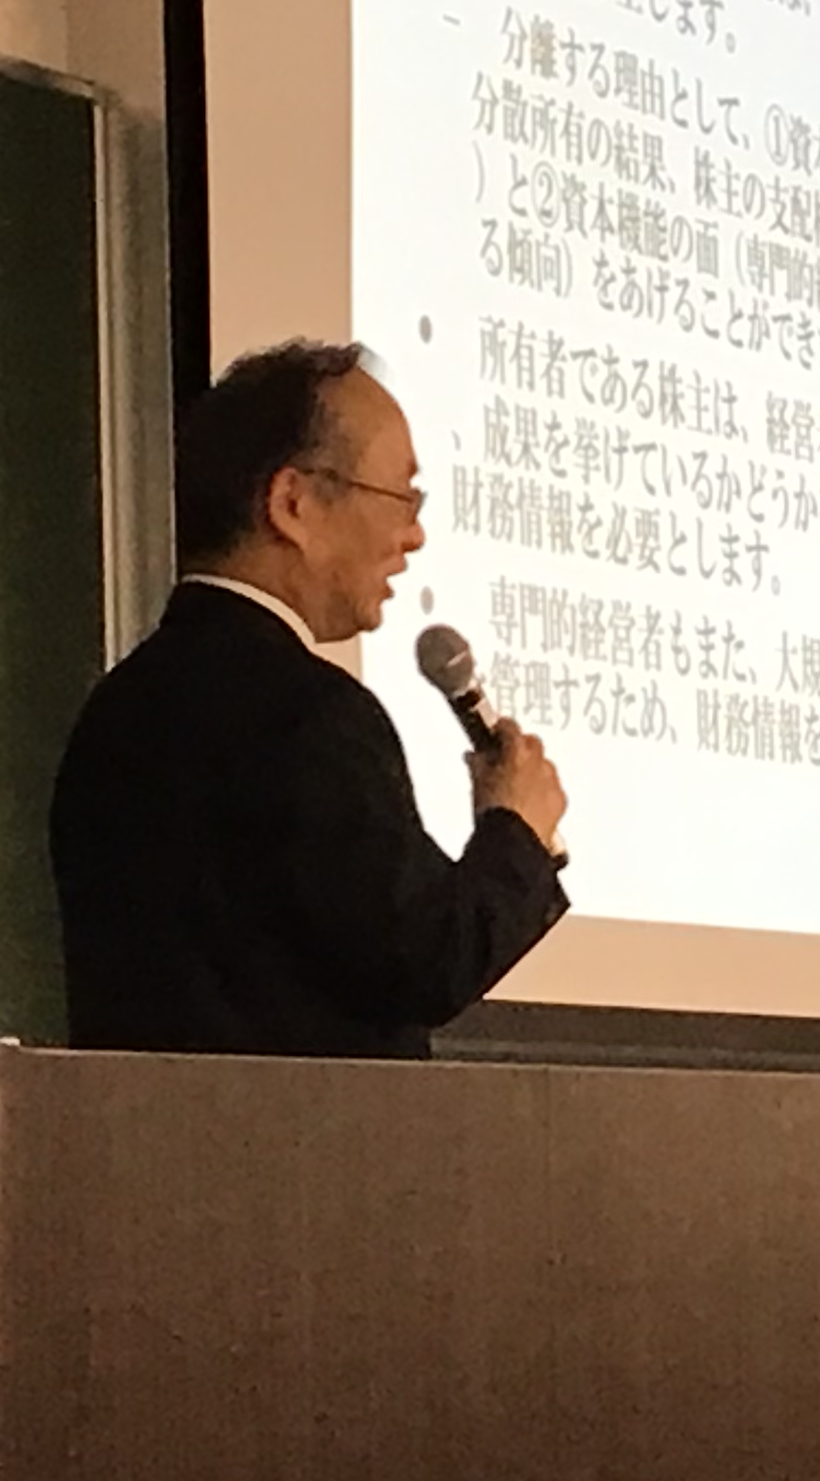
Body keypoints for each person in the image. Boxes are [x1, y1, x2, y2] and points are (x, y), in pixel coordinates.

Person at [47, 340, 570, 1056]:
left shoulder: (116, 707)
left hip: (129, 1126)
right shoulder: (309, 715)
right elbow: (422, 961)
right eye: (401, 497)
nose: (414, 534)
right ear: (292, 503)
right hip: (302, 1129)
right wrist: (517, 829)